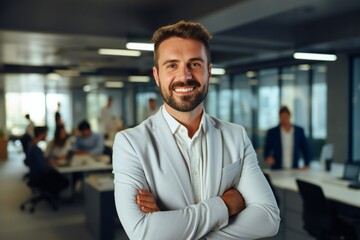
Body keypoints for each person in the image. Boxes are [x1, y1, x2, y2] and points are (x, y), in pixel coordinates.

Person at [112, 20, 280, 240]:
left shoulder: (235, 136)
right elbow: (143, 232)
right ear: (156, 75)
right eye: (172, 65)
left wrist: (173, 228)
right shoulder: (130, 143)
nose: (185, 76)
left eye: (195, 64)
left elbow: (268, 218)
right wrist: (224, 205)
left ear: (209, 72)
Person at [264, 106, 311, 170]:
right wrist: (268, 156)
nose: (284, 119)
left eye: (285, 117)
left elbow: (305, 148)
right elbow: (267, 148)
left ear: (289, 116)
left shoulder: (299, 131)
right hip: (277, 169)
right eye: (282, 117)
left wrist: (307, 163)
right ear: (279, 118)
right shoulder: (273, 132)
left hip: (294, 168)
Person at [25, 126, 68, 196]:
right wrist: (50, 164)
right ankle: (54, 195)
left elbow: (40, 162)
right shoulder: (36, 150)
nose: (47, 135)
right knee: (63, 180)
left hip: (34, 175)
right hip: (40, 177)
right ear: (42, 135)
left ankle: (52, 194)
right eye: (46, 134)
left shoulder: (31, 145)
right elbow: (44, 169)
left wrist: (48, 162)